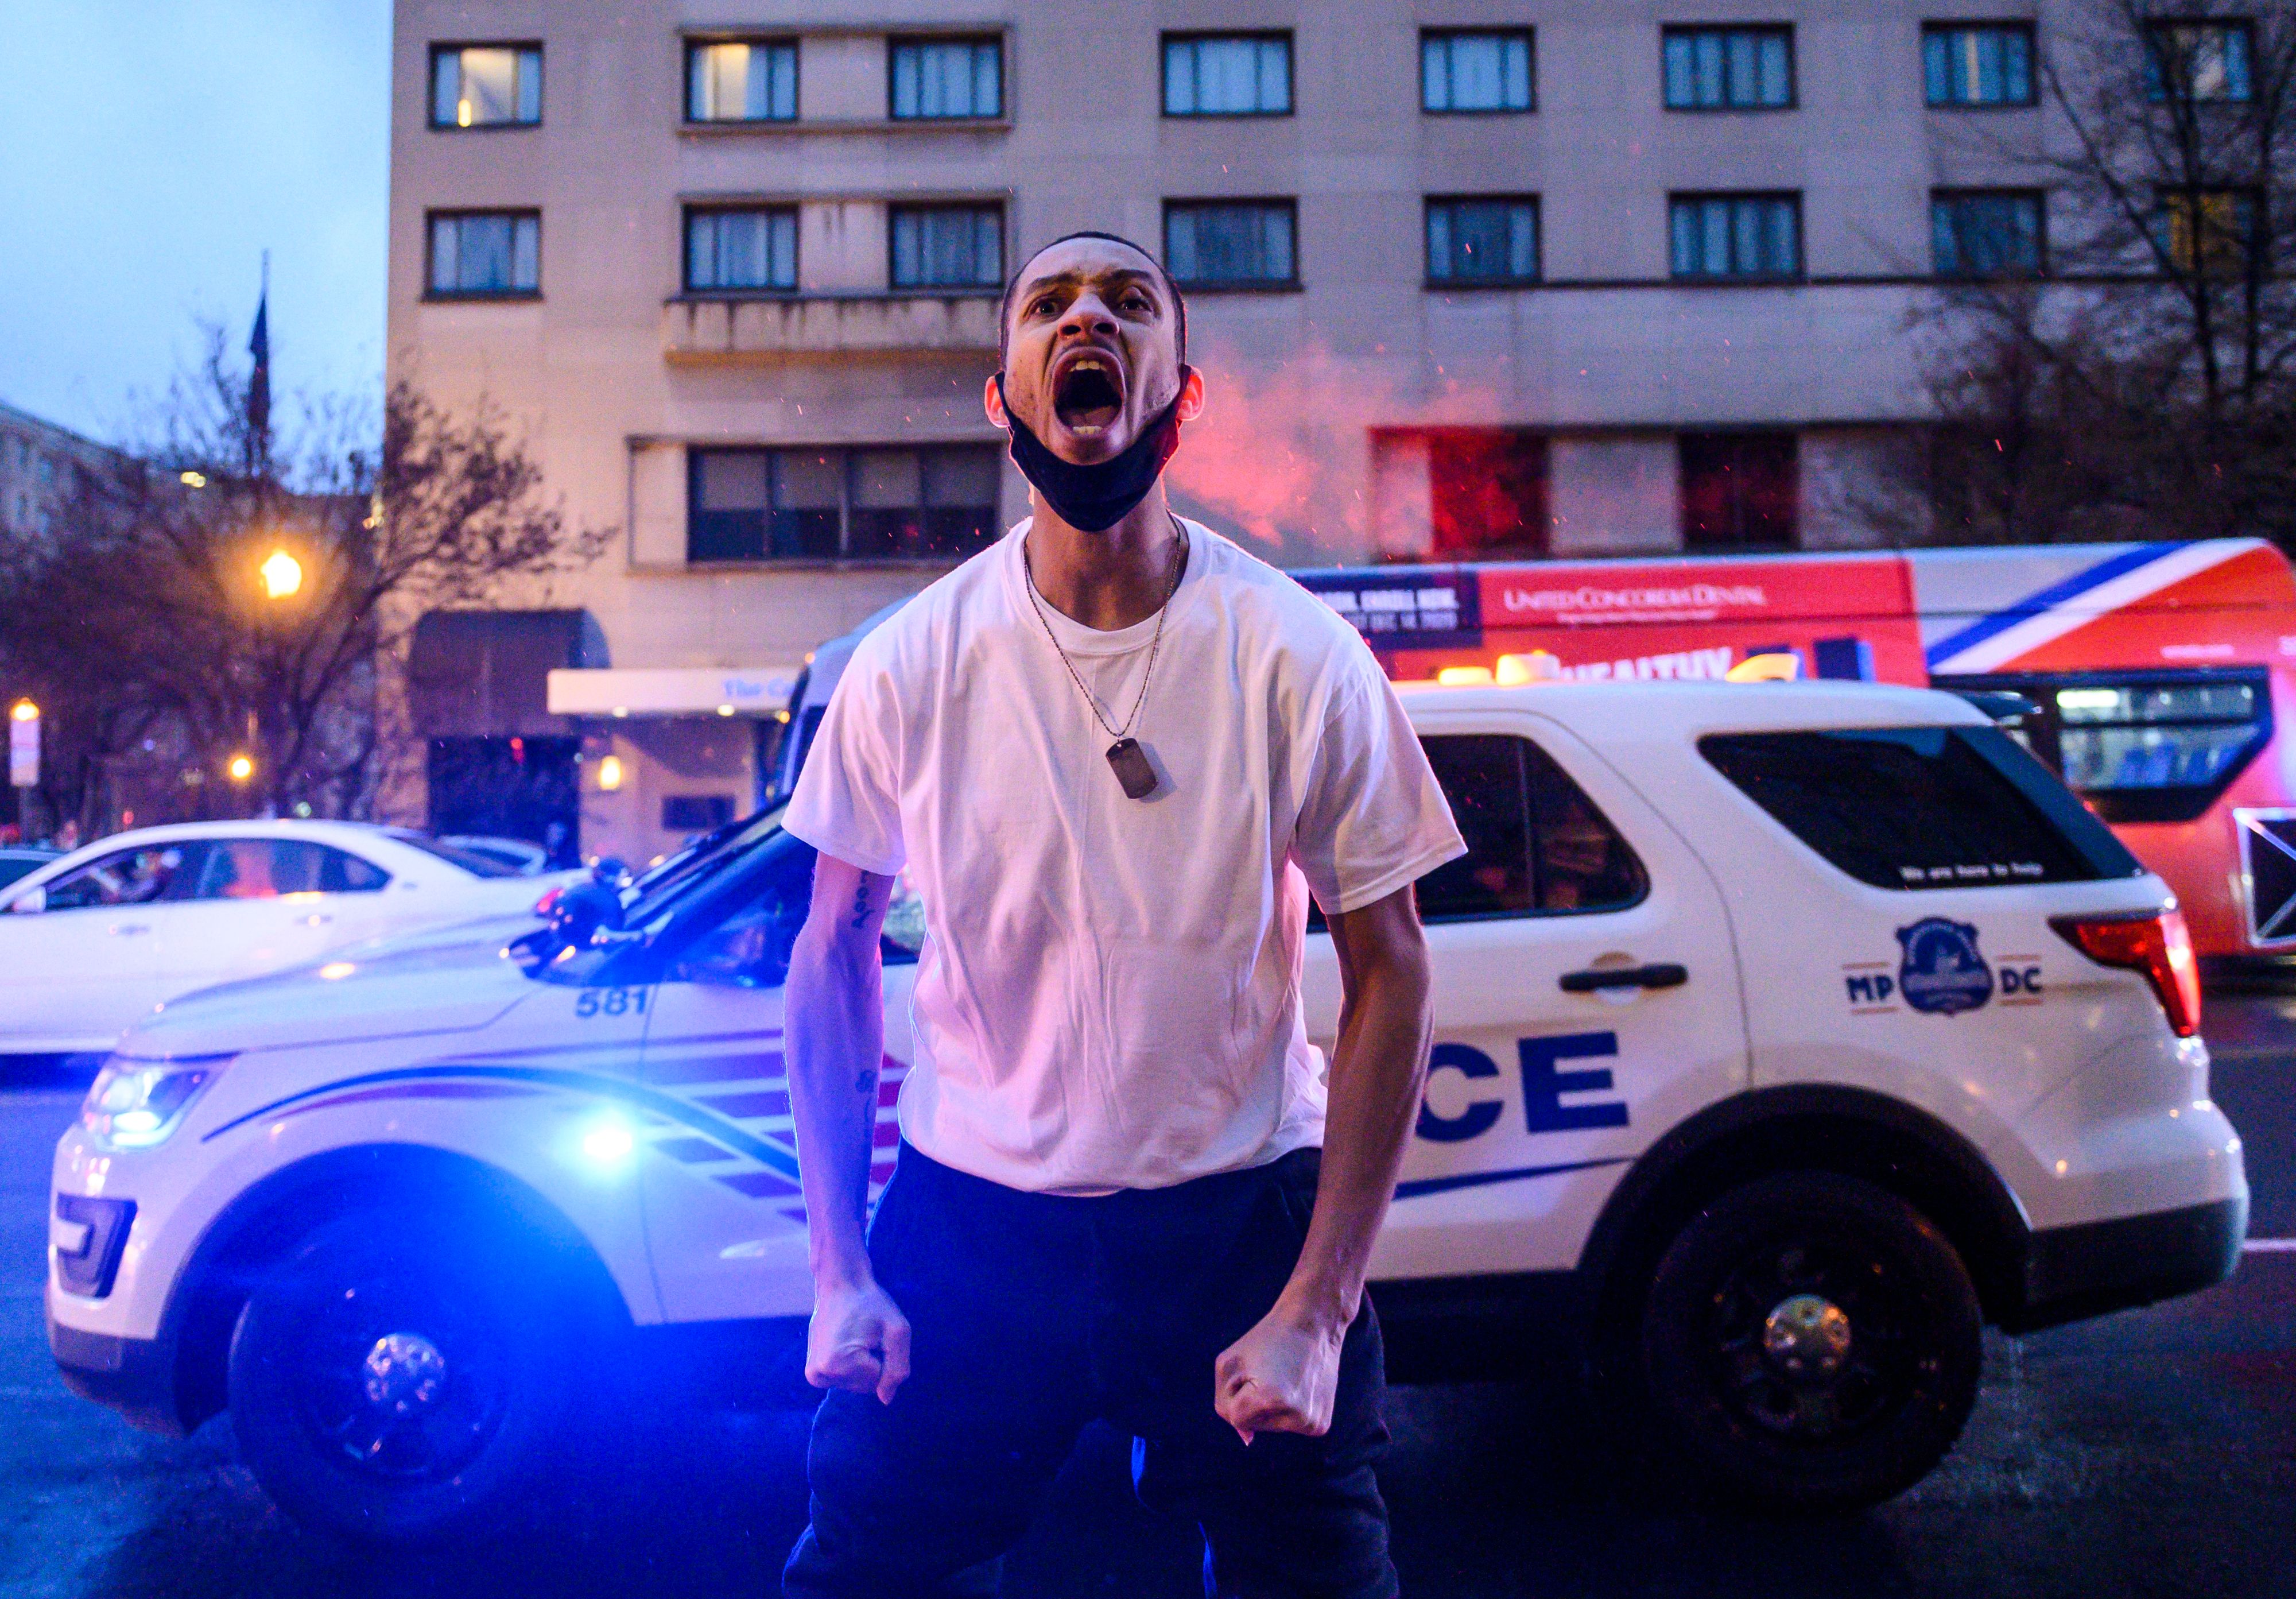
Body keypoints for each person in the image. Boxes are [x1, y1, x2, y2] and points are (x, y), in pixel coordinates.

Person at [778, 230, 1465, 1598]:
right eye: (1048, 303)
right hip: (973, 1229)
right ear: (1003, 392)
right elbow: (831, 950)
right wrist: (838, 1266)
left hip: (1236, 1223)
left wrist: (1318, 1307)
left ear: (1179, 392)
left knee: (1315, 1579)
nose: (1084, 316)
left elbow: (1391, 969)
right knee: (864, 1572)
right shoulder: (908, 661)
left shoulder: (1298, 655)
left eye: (1125, 302)